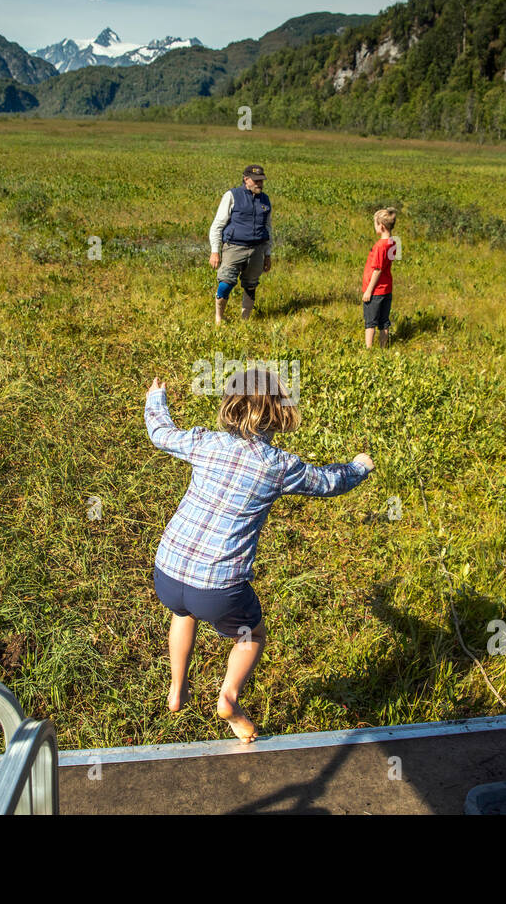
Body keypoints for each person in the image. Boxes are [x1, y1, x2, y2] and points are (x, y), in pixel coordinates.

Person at [144, 368, 373, 742]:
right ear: (280, 414)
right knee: (252, 636)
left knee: (181, 613)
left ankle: (177, 688)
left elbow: (161, 433)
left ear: (229, 408)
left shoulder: (206, 442)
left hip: (168, 569)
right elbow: (330, 482)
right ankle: (229, 698)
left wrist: (156, 399)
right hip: (220, 587)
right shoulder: (280, 466)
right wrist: (359, 467)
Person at [209, 164, 272, 326]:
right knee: (226, 282)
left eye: (261, 181)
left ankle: (245, 322)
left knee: (251, 285)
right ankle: (219, 319)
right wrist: (215, 251)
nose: (259, 184)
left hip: (257, 249)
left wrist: (268, 254)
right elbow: (217, 225)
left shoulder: (265, 200)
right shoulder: (232, 195)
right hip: (233, 247)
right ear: (246, 180)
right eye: (256, 180)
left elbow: (268, 228)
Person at [362, 208, 396, 348]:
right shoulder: (394, 241)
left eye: (375, 225)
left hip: (376, 291)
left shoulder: (379, 246)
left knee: (370, 323)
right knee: (384, 322)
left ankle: (368, 350)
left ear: (381, 226)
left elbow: (377, 269)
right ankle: (383, 348)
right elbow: (393, 259)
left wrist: (369, 290)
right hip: (387, 289)